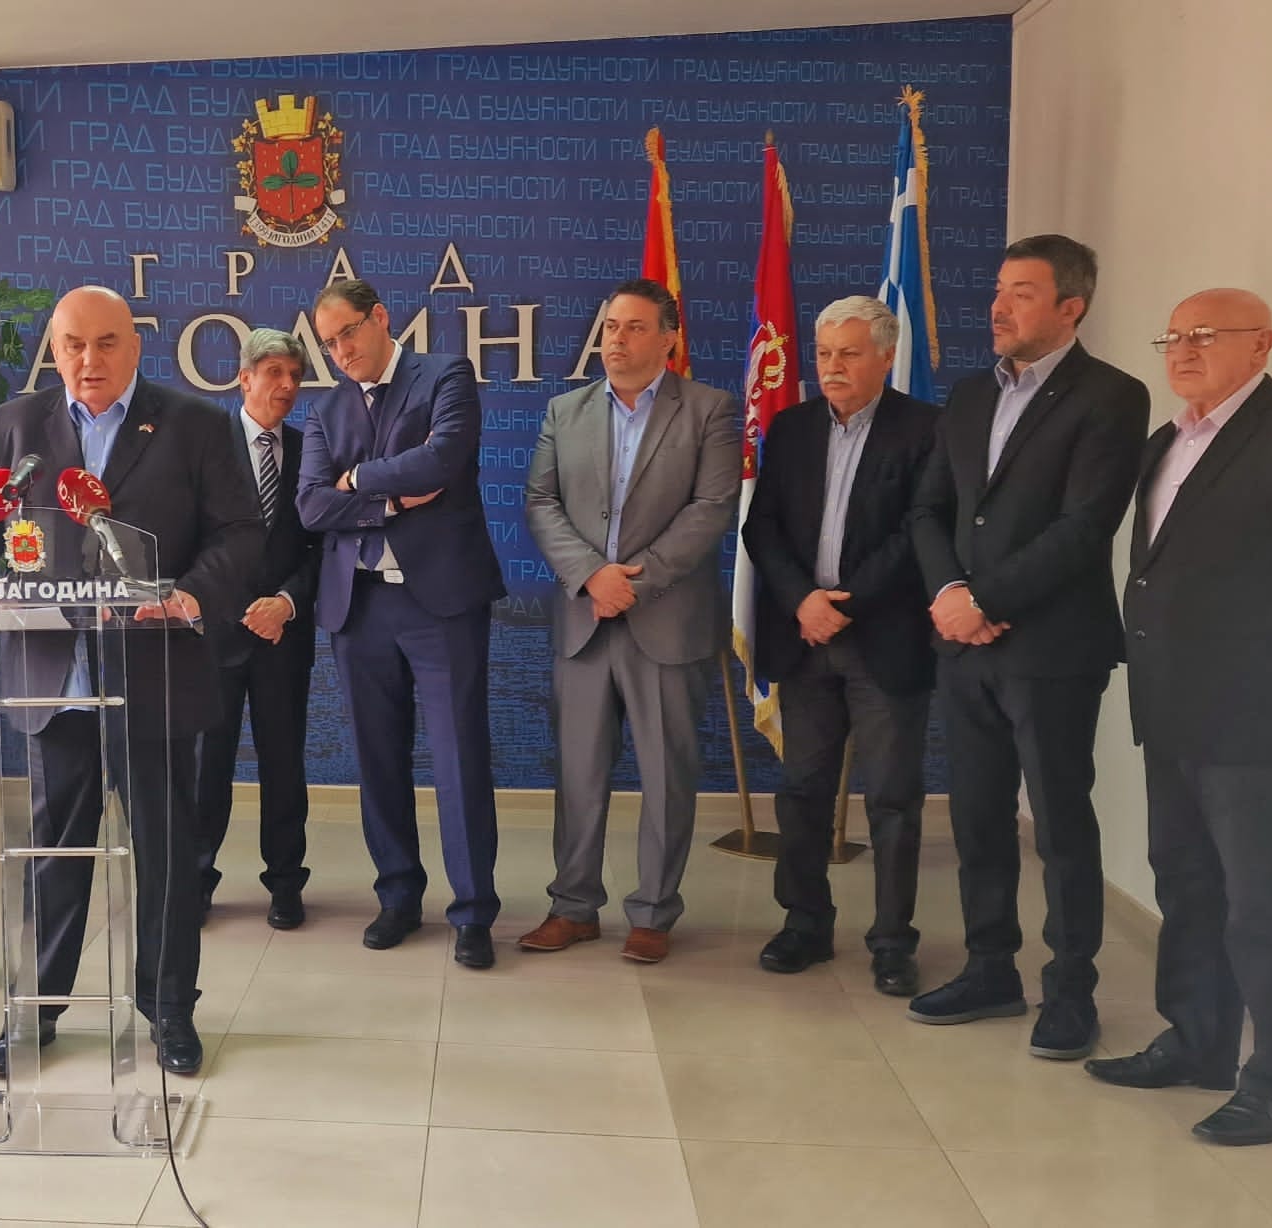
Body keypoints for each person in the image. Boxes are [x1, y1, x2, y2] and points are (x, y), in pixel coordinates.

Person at [1085, 289, 1272, 1146]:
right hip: (1171, 704)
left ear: (1262, 345)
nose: (1183, 350)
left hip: (1257, 717)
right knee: (1185, 883)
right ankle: (1197, 1042)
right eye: (1173, 336)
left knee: (1264, 902)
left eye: (1205, 335)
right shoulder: (1166, 441)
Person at [0, 285, 260, 1077]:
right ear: (54, 349)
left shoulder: (194, 423)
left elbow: (241, 532)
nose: (88, 360)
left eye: (105, 344)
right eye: (72, 345)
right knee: (53, 854)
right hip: (53, 679)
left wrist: (192, 593)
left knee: (164, 854)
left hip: (154, 673)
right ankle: (36, 1011)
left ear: (135, 346)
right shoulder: (13, 427)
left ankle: (169, 1011)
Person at [904, 235, 1149, 1059]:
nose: (998, 307)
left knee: (1060, 824)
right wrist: (951, 596)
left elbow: (1085, 526)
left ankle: (1071, 992)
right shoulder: (972, 394)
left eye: (1022, 293)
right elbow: (929, 511)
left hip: (1051, 649)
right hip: (964, 646)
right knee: (977, 818)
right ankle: (989, 969)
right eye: (999, 289)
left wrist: (986, 601)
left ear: (1071, 308)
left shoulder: (1111, 396)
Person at [517, 279, 740, 964]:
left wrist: (632, 583)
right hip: (585, 619)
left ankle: (653, 913)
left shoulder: (708, 409)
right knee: (578, 773)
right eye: (611, 326)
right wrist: (592, 575)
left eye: (635, 327)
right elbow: (540, 501)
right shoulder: (566, 410)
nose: (617, 339)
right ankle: (573, 907)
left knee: (667, 776)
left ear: (669, 338)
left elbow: (712, 508)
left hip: (665, 620)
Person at [296, 279, 507, 969]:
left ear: (380, 318)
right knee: (378, 760)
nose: (339, 352)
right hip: (358, 607)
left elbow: (442, 460)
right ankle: (397, 896)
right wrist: (387, 501)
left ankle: (473, 911)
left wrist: (356, 480)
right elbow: (311, 507)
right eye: (327, 344)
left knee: (458, 758)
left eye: (347, 334)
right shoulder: (326, 410)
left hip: (440, 602)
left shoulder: (444, 374)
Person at [741, 295, 938, 995]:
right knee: (802, 792)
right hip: (806, 637)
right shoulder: (791, 428)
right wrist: (804, 600)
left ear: (886, 356)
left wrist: (843, 603)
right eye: (824, 354)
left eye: (849, 354)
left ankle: (892, 941)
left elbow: (920, 530)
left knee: (891, 799)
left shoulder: (926, 428)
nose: (833, 367)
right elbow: (762, 527)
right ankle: (805, 924)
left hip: (884, 639)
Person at [197, 328, 321, 930]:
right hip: (215, 634)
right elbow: (188, 540)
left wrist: (286, 603)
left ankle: (286, 883)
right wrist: (233, 605)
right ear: (244, 378)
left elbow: (324, 545)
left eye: (295, 376)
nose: (287, 386)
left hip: (283, 636)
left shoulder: (311, 450)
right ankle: (196, 880)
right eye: (274, 373)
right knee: (207, 765)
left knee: (284, 764)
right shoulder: (205, 447)